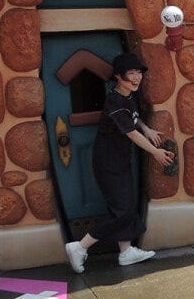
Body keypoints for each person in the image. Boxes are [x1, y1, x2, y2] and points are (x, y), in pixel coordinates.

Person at [65, 52, 174, 273]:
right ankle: (80, 247)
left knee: (125, 205)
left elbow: (134, 119)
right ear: (118, 76)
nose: (136, 78)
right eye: (130, 74)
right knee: (121, 211)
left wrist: (147, 128)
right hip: (108, 163)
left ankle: (126, 252)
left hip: (120, 160)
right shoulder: (114, 100)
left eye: (138, 73)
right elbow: (131, 133)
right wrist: (155, 152)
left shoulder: (127, 96)